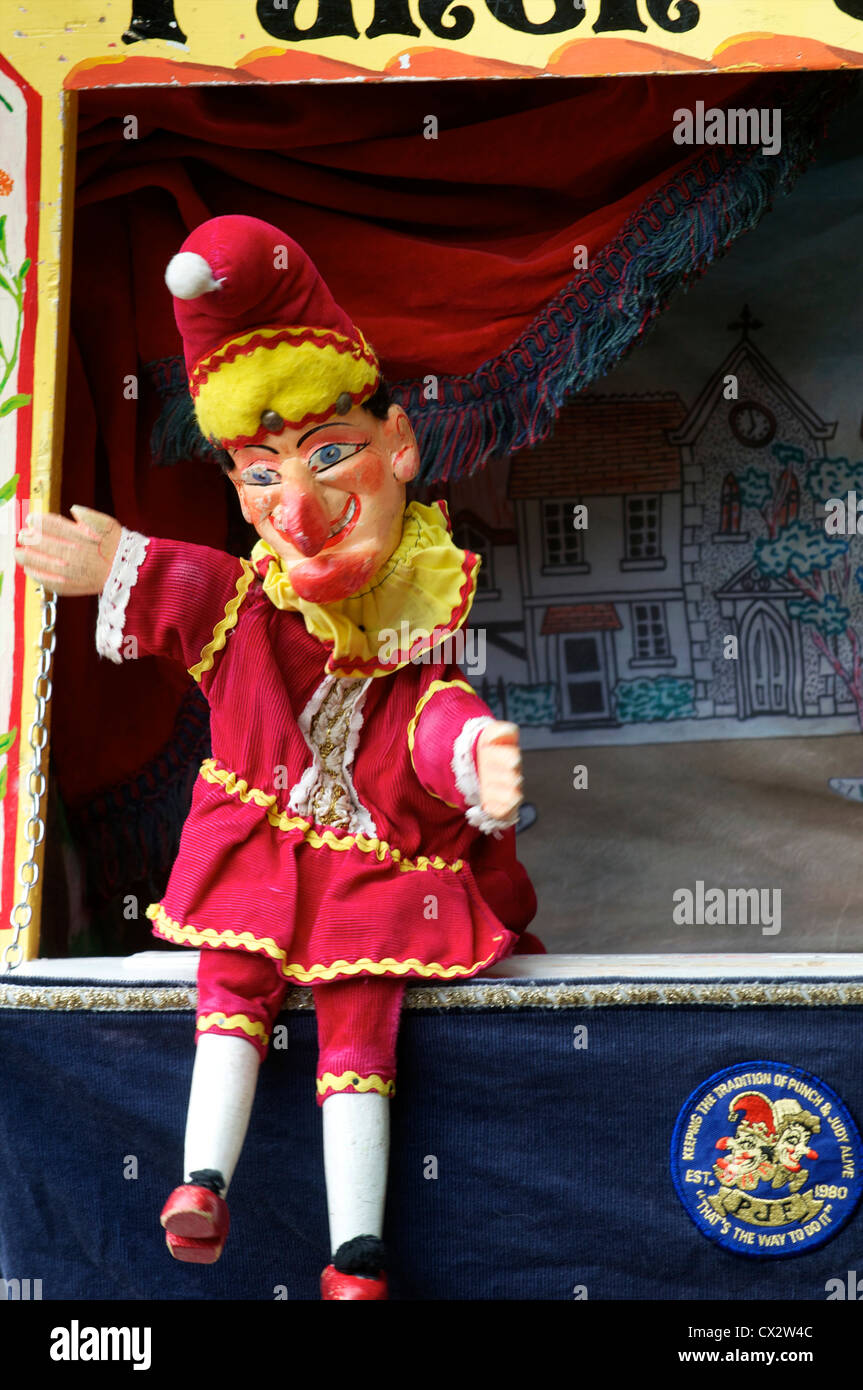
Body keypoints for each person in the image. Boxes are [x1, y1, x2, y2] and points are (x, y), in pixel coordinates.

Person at [15, 214, 537, 1300]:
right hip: (252, 845)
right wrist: (122, 558)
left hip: (367, 867)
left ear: (398, 448)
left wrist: (474, 754)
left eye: (327, 454)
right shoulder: (250, 606)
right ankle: (201, 1179)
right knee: (230, 992)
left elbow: (424, 722)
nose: (294, 509)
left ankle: (356, 1254)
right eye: (260, 475)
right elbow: (188, 588)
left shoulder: (415, 614)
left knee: (360, 1034)